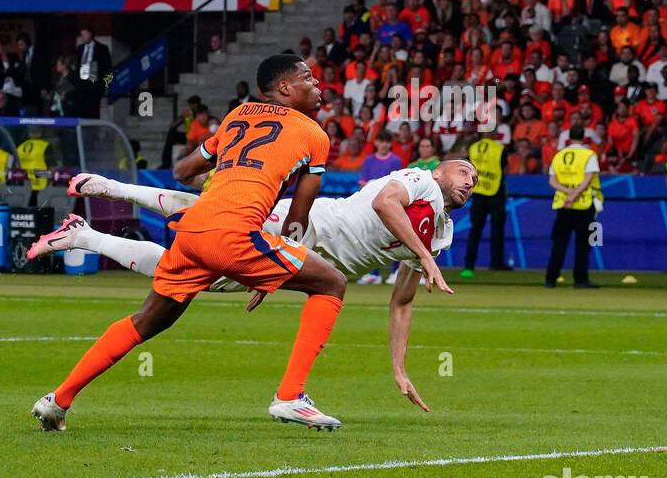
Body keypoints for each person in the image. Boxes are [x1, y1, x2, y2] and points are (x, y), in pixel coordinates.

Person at [31, 55, 348, 433]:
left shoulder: (237, 116)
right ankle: (291, 396)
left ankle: (58, 400)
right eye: (309, 78)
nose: (318, 86)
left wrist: (233, 174)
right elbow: (298, 216)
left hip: (195, 229)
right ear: (284, 88)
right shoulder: (314, 134)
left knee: (146, 321)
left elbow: (182, 170)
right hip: (236, 235)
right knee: (330, 283)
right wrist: (279, 266)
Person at [52, 155, 475, 411]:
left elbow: (401, 303)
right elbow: (385, 203)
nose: (469, 181)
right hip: (305, 223)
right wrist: (422, 256)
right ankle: (116, 188)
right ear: (440, 170)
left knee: (199, 278)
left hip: (306, 266)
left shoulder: (440, 235)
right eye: (463, 171)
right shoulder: (419, 180)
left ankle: (86, 236)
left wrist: (399, 370)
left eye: (475, 181)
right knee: (208, 217)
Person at [544, 122, 602, 289]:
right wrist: (575, 195)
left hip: (563, 205)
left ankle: (551, 279)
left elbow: (552, 181)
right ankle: (580, 279)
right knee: (583, 243)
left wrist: (567, 194)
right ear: (584, 137)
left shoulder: (559, 155)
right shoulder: (589, 155)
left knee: (559, 243)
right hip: (584, 204)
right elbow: (588, 178)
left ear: (568, 138)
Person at [460, 133, 508, 276]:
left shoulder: (473, 148)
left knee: (475, 230)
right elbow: (503, 169)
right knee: (497, 230)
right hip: (495, 193)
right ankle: (496, 263)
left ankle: (469, 265)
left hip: (478, 193)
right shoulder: (500, 149)